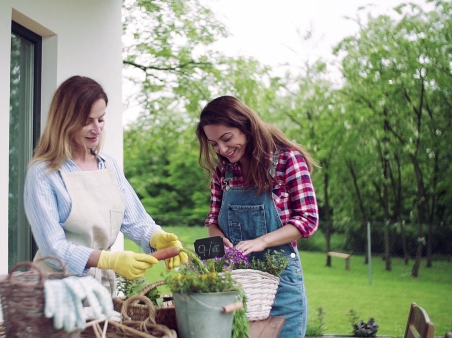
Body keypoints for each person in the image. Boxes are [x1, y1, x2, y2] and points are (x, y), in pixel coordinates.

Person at [24, 75, 187, 296]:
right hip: (56, 294)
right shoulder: (44, 173)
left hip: (101, 293)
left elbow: (135, 220)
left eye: (100, 119)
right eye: (86, 121)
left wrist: (157, 238)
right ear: (64, 120)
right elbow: (54, 247)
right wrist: (108, 259)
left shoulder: (108, 166)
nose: (96, 128)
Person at [195, 95, 319, 337]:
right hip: (233, 283)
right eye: (214, 144)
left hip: (281, 283)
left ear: (246, 127)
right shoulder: (224, 170)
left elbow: (308, 220)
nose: (221, 149)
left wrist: (261, 241)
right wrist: (216, 240)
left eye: (226, 138)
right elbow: (212, 220)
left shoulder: (287, 159)